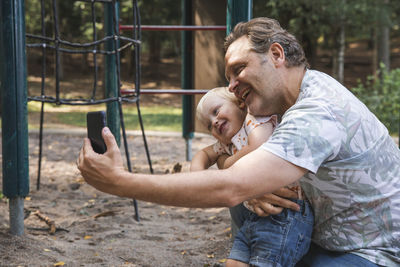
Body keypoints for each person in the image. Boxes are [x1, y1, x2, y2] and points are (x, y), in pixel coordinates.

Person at [77, 17, 400, 266]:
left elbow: (228, 186)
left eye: (238, 69)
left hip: (373, 251)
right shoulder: (293, 101)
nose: (231, 86)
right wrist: (255, 184)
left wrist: (120, 182)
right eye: (228, 77)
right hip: (326, 239)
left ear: (276, 54)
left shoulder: (317, 111)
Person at [191, 86, 314, 267]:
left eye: (216, 111)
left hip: (284, 213)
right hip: (254, 216)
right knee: (233, 263)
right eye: (209, 125)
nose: (214, 122)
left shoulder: (254, 121)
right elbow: (204, 154)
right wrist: (197, 177)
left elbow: (258, 145)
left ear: (240, 103)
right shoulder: (227, 143)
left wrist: (227, 166)